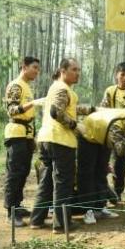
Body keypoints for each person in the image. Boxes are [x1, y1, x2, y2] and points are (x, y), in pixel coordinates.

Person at [29, 58, 95, 233]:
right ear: (63, 71)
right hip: (60, 141)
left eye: (78, 70)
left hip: (45, 139)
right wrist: (75, 125)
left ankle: (36, 219)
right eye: (74, 69)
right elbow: (56, 112)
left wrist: (92, 110)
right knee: (63, 183)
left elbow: (68, 108)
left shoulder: (56, 88)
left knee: (47, 182)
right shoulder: (62, 88)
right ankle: (61, 224)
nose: (78, 73)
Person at [75, 107, 125, 224]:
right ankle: (87, 210)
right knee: (87, 174)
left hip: (103, 136)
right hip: (88, 134)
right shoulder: (117, 126)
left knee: (101, 172)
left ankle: (100, 207)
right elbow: (120, 151)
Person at [3, 56, 43, 226]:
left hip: (27, 134)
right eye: (34, 67)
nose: (37, 71)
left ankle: (17, 205)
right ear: (24, 67)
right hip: (16, 132)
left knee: (24, 171)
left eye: (38, 68)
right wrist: (32, 103)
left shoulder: (27, 86)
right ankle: (11, 212)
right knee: (15, 173)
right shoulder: (16, 85)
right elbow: (12, 110)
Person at [101, 62, 125, 208]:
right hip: (113, 131)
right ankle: (117, 193)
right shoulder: (110, 91)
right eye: (122, 74)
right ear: (116, 75)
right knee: (118, 164)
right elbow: (103, 109)